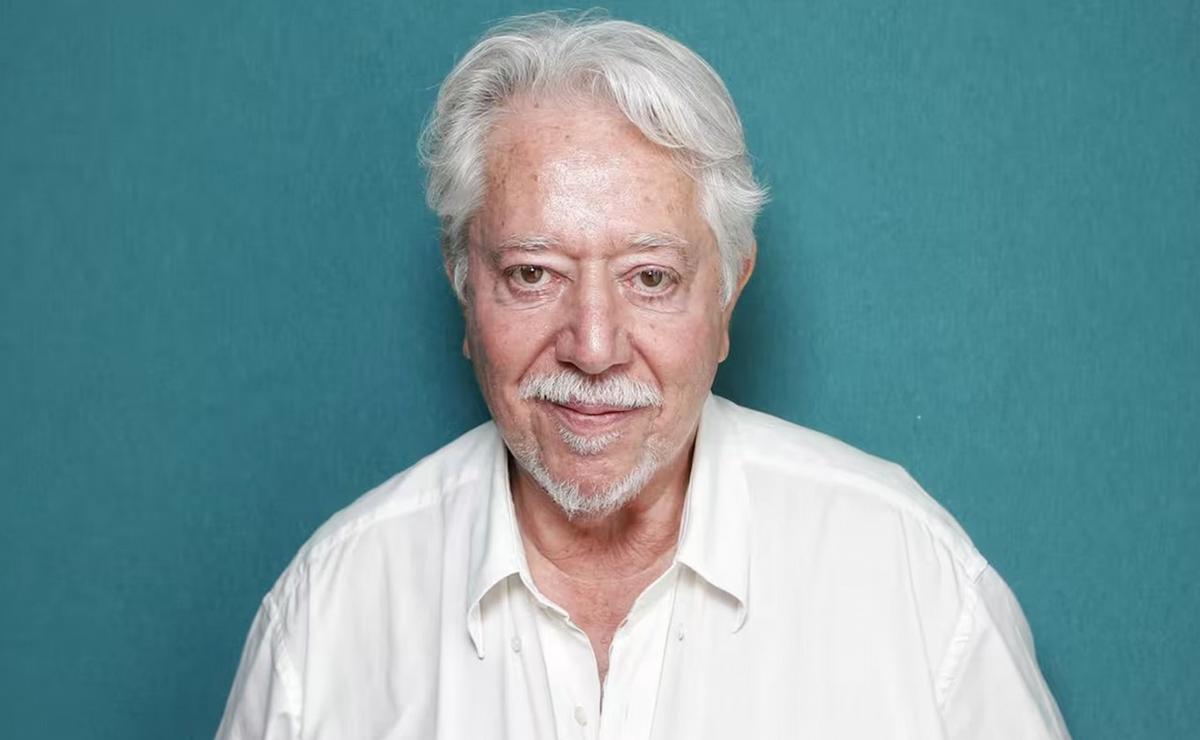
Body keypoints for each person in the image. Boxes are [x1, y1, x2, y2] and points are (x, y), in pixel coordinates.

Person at [216, 12, 1070, 739]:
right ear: (464, 284)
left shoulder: (911, 580)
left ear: (728, 293)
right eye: (532, 273)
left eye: (651, 278)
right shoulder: (326, 621)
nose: (593, 348)